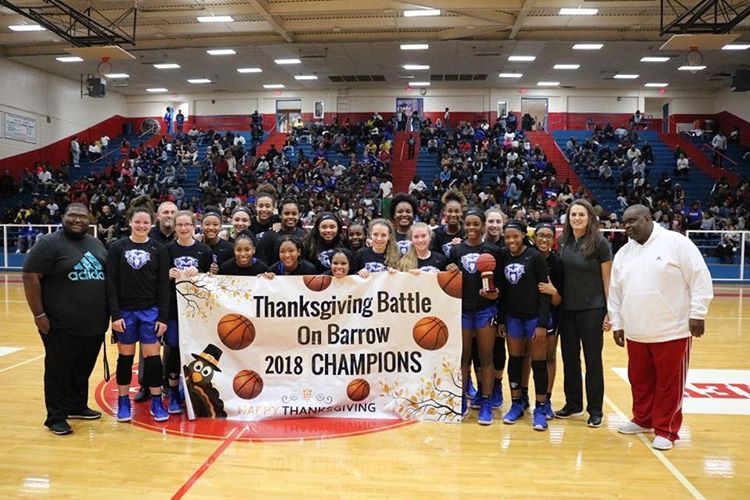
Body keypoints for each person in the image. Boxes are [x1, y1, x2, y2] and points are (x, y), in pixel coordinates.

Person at [609, 204, 713, 450]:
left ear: (647, 219)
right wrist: (617, 322)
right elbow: (615, 291)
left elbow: (699, 276)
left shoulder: (677, 243)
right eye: (625, 222)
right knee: (639, 379)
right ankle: (643, 418)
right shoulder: (624, 252)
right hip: (636, 330)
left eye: (632, 221)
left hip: (672, 330)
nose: (627, 226)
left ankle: (666, 429)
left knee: (669, 382)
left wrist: (698, 313)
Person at [22, 204, 108, 436]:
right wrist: (39, 315)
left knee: (82, 369)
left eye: (82, 216)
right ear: (63, 217)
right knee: (58, 370)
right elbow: (30, 276)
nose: (77, 220)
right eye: (72, 215)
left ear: (89, 219)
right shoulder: (49, 243)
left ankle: (77, 406)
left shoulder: (96, 244)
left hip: (93, 324)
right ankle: (56, 416)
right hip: (60, 324)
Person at [107, 206, 170, 423]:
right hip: (124, 312)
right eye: (138, 222)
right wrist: (115, 314)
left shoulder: (159, 249)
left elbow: (163, 286)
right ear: (130, 222)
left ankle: (156, 400)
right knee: (125, 358)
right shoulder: (117, 248)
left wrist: (162, 317)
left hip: (150, 311)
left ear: (151, 224)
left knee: (152, 359)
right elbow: (111, 283)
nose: (141, 226)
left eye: (145, 222)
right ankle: (123, 400)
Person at [555, 199, 612, 428]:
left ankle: (595, 409)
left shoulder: (600, 243)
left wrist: (610, 311)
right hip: (567, 310)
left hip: (593, 309)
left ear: (590, 218)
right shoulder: (563, 241)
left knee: (593, 361)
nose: (576, 218)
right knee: (569, 359)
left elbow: (608, 279)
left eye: (581, 214)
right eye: (573, 215)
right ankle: (573, 403)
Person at [446, 209, 501, 424]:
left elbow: (501, 285)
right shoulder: (456, 250)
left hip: (485, 310)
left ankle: (486, 401)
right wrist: (448, 267)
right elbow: (447, 278)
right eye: (467, 224)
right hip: (462, 311)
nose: (471, 228)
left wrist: (496, 294)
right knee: (463, 358)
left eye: (475, 224)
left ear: (482, 226)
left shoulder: (493, 250)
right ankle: (461, 398)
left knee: (486, 358)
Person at [496, 220, 550, 431]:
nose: (511, 241)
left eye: (515, 237)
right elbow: (502, 290)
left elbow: (544, 291)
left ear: (522, 236)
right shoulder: (503, 256)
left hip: (534, 319)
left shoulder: (535, 257)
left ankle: (540, 407)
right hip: (512, 318)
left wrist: (542, 324)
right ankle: (517, 403)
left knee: (538, 363)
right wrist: (501, 319)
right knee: (516, 361)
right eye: (507, 237)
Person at [161, 211, 212, 414]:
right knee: (173, 349)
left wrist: (200, 275)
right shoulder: (166, 251)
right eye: (179, 225)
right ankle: (173, 392)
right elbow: (158, 282)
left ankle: (194, 390)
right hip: (173, 310)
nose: (183, 228)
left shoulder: (204, 251)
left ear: (194, 226)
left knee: (195, 350)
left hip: (196, 310)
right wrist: (167, 275)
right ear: (174, 227)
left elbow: (212, 282)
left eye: (187, 225)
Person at [533, 220, 564, 420]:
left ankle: (547, 399)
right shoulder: (527, 256)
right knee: (530, 358)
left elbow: (559, 299)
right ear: (534, 237)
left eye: (548, 236)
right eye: (541, 235)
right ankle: (528, 397)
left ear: (553, 240)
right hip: (528, 314)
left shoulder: (557, 263)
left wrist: (553, 291)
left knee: (549, 357)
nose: (544, 239)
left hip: (551, 315)